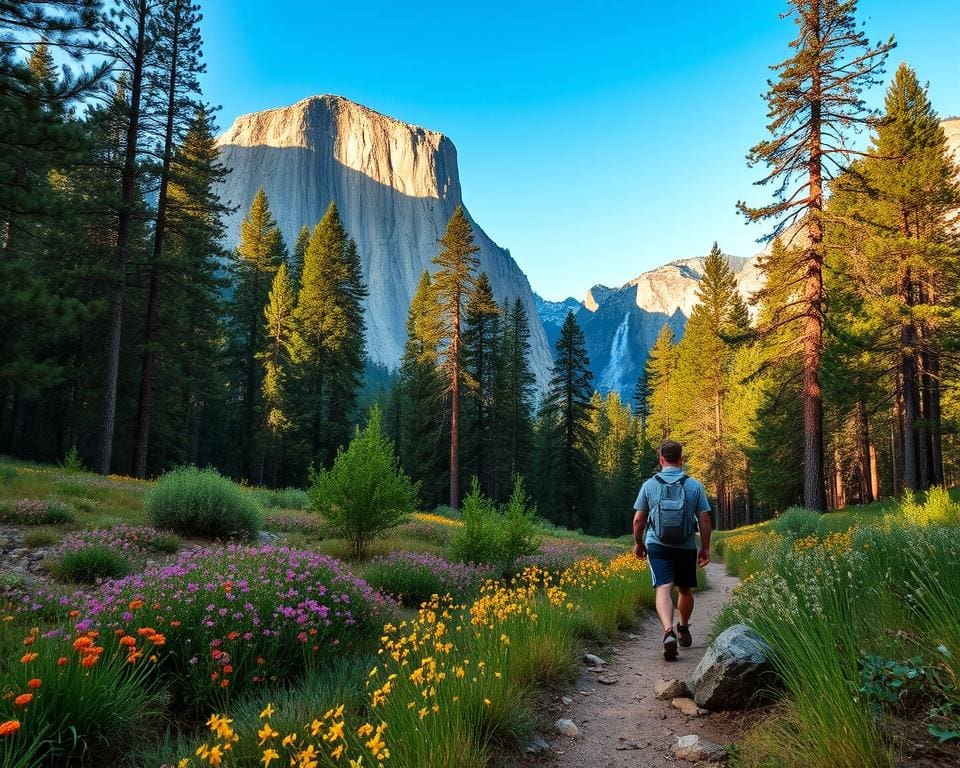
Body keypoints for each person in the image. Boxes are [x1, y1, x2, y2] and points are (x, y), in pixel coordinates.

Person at [632, 440, 712, 660]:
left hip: (657, 544)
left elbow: (639, 520)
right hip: (685, 545)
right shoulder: (694, 485)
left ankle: (668, 632)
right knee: (685, 590)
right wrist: (704, 547)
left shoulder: (649, 485)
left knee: (663, 588)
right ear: (681, 460)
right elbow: (704, 518)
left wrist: (639, 543)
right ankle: (683, 627)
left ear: (661, 460)